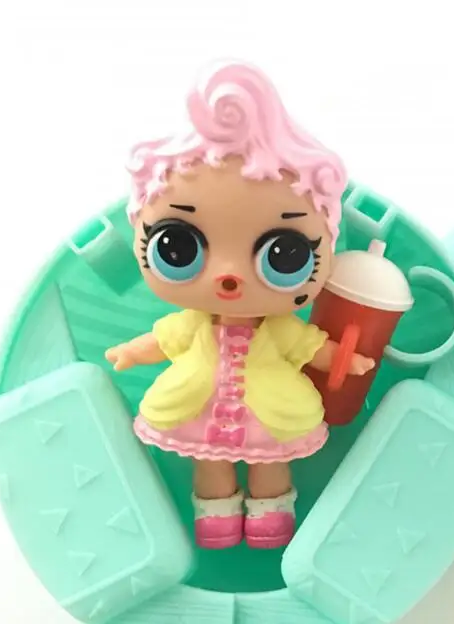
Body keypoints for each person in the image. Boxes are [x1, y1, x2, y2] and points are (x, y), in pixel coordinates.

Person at [106, 61, 373, 550]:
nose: (228, 275)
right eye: (178, 248)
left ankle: (271, 519)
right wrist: (130, 352)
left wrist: (344, 359)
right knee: (210, 464)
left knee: (271, 464)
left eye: (285, 254)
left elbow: (312, 348)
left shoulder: (280, 328)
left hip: (271, 413)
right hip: (198, 405)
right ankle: (217, 521)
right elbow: (161, 342)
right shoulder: (191, 324)